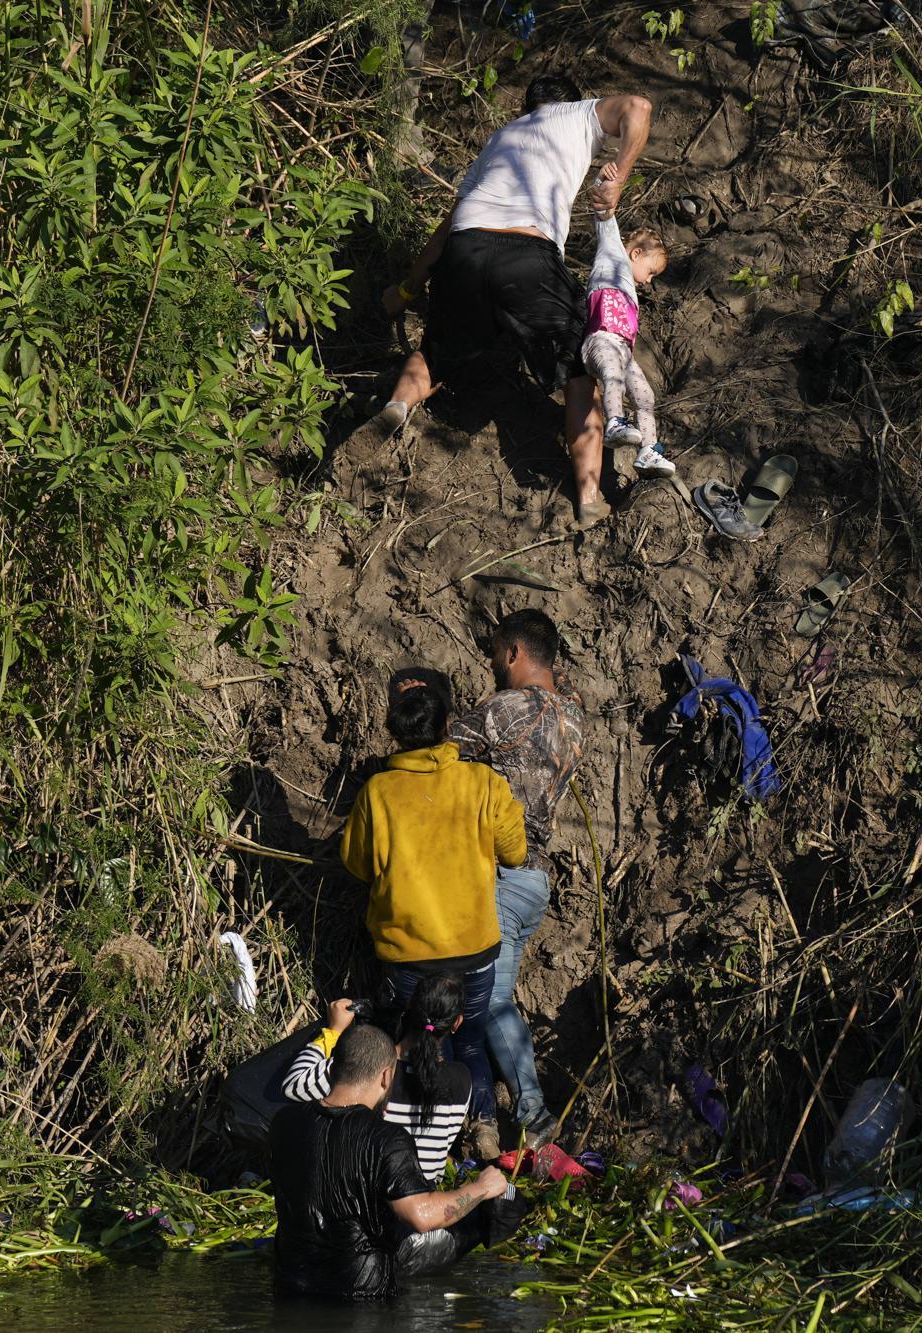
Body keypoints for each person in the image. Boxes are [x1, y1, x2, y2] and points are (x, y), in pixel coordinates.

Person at [364, 74, 655, 527]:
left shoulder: (501, 137)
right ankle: (590, 495)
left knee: (438, 351)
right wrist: (619, 180)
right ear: (567, 102)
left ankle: (397, 404)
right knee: (581, 373)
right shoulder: (576, 115)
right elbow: (638, 106)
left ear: (526, 105)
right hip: (527, 254)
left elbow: (448, 227)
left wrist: (406, 291)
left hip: (466, 245)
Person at [340, 673, 527, 1158]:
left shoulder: (377, 794)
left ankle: (404, 1143)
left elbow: (357, 865)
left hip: (407, 958)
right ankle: (483, 1128)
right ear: (449, 724)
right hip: (474, 951)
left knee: (409, 1040)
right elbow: (515, 851)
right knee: (470, 1039)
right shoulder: (482, 782)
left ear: (394, 730)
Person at [447, 609, 585, 1150]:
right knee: (486, 997)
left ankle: (535, 1121)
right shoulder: (574, 716)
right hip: (534, 886)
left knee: (493, 1001)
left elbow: (438, 753)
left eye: (495, 655)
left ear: (513, 654)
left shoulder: (504, 710)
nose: (491, 666)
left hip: (500, 876)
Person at [270, 1025, 512, 1301]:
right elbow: (422, 1216)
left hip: (291, 1286)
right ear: (386, 1076)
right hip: (359, 1296)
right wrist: (481, 1187)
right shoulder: (386, 1138)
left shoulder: (284, 1123)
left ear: (334, 1067)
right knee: (506, 1203)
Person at [282, 977, 473, 1183]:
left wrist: (333, 1032)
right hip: (424, 1197)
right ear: (457, 1023)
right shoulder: (463, 1080)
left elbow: (294, 1086)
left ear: (410, 1004)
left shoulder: (372, 1066)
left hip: (366, 1196)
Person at [582, 211, 673, 477]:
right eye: (650, 271)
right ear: (635, 254)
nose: (648, 281)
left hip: (623, 350)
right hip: (601, 339)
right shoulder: (612, 258)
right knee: (614, 378)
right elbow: (605, 219)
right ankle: (614, 424)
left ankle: (647, 451)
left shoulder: (630, 289)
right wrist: (608, 184)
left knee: (646, 397)